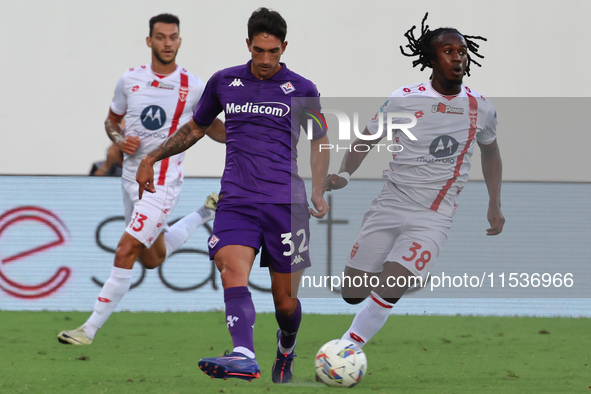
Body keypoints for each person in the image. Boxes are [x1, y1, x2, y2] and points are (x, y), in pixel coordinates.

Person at [135, 7, 329, 383]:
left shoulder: (304, 89)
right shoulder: (224, 82)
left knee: (285, 303)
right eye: (259, 51)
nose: (267, 59)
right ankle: (243, 353)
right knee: (230, 267)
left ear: (284, 47)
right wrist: (152, 157)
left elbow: (320, 139)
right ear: (248, 45)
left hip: (285, 205)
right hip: (237, 199)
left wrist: (318, 188)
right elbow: (196, 127)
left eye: (274, 52)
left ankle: (286, 346)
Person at [325, 13, 505, 349]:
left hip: (434, 216)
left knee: (392, 285)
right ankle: (379, 282)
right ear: (431, 58)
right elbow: (368, 137)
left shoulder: (481, 107)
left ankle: (347, 348)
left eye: (462, 51)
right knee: (352, 293)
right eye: (449, 51)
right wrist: (344, 173)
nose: (458, 57)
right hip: (391, 203)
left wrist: (494, 202)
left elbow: (491, 153)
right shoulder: (405, 98)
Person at [58, 13, 224, 345]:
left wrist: (250, 138)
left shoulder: (194, 85)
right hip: (131, 181)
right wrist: (119, 140)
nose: (167, 43)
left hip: (163, 182)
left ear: (179, 41)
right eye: (160, 37)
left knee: (125, 249)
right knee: (152, 258)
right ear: (149, 41)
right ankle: (205, 213)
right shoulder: (129, 80)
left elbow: (210, 126)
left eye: (173, 37)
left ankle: (88, 330)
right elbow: (110, 121)